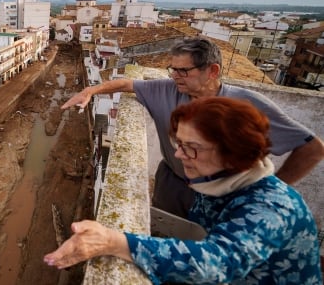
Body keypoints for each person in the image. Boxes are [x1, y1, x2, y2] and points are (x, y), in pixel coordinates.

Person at [44, 97, 322, 284]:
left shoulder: (271, 209)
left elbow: (216, 265)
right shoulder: (217, 179)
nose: (178, 155)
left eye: (191, 147)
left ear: (232, 153)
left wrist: (116, 242)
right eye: (179, 143)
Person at [62, 36, 324, 217]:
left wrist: (273, 189)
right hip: (173, 186)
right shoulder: (167, 90)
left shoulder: (247, 104)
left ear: (212, 70)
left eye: (183, 71)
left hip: (225, 197)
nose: (175, 76)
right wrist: (91, 91)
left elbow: (312, 148)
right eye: (172, 69)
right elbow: (126, 84)